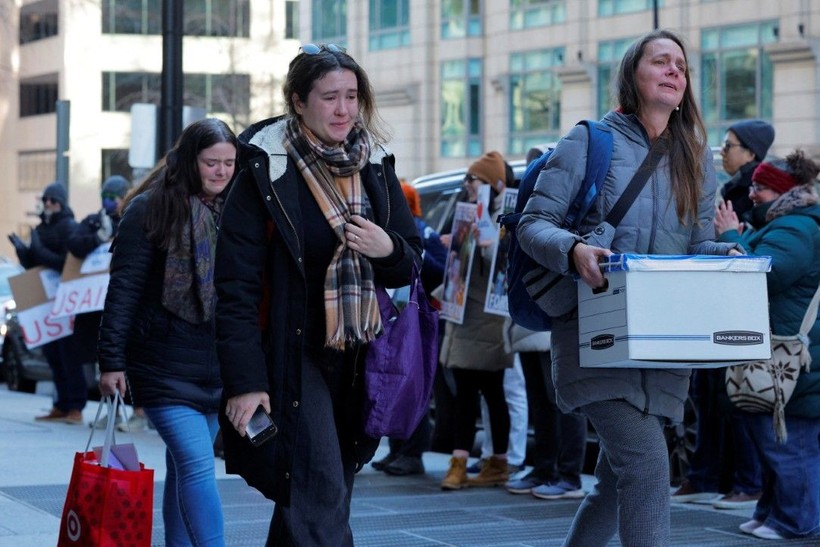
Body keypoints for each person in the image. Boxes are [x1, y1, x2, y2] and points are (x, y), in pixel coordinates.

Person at [517, 29, 742, 545]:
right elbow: (533, 224)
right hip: (596, 339)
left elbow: (694, 246)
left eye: (680, 66)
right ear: (631, 74)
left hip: (663, 349)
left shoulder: (698, 163)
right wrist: (573, 251)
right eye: (659, 61)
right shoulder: (593, 141)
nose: (672, 72)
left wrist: (724, 255)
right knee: (647, 467)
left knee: (616, 482)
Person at [213, 44, 421, 546]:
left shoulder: (374, 164)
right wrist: (245, 381)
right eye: (330, 97)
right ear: (298, 101)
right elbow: (235, 289)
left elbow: (411, 261)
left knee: (317, 493)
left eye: (352, 96)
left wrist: (386, 245)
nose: (344, 109)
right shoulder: (265, 172)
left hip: (358, 355)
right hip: (290, 354)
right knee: (321, 489)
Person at [97, 118, 236, 546]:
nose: (221, 172)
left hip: (217, 368)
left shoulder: (236, 210)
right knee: (196, 464)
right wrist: (111, 361)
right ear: (188, 161)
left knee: (183, 469)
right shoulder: (150, 208)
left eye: (229, 163)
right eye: (211, 162)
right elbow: (123, 289)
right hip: (161, 367)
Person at [714, 150, 820, 541]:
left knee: (790, 445)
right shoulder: (787, 224)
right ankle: (773, 513)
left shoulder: (794, 228)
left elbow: (761, 276)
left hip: (791, 359)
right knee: (776, 440)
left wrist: (730, 237)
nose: (753, 193)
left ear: (782, 191)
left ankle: (796, 520)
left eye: (761, 186)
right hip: (783, 355)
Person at [671, 121, 773, 509]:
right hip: (716, 308)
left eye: (729, 146)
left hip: (738, 313)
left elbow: (751, 255)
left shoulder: (750, 194)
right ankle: (707, 476)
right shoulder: (726, 189)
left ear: (750, 151)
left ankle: (744, 481)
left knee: (735, 397)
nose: (723, 152)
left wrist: (731, 235)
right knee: (710, 394)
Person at [504, 149, 588, 500]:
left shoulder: (569, 201)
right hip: (529, 315)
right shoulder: (531, 203)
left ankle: (567, 473)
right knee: (541, 398)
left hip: (553, 311)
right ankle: (544, 467)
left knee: (563, 398)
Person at [439, 150, 514, 491]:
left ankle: (489, 462)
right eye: (467, 179)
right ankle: (471, 461)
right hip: (465, 312)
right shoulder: (468, 213)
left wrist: (483, 243)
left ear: (493, 184)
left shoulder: (506, 215)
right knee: (469, 392)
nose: (468, 185)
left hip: (488, 315)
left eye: (474, 180)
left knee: (488, 391)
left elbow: (503, 265)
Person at [371, 182, 447, 476]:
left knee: (412, 384)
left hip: (415, 318)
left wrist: (413, 258)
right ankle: (397, 449)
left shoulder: (420, 231)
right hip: (396, 316)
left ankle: (412, 452)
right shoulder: (390, 228)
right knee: (394, 382)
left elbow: (440, 270)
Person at [9, 181, 84, 424]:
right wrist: (24, 252)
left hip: (65, 301)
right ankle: (61, 404)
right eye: (46, 200)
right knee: (52, 355)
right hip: (45, 302)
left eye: (53, 199)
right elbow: (34, 265)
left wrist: (39, 252)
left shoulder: (69, 227)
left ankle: (75, 407)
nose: (48, 204)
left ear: (61, 202)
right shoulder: (41, 229)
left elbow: (68, 263)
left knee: (68, 355)